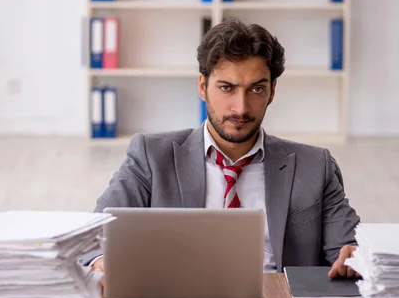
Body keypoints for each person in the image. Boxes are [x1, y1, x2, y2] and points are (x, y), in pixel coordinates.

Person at [87, 20, 359, 279]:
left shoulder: (315, 165)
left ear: (272, 92)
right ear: (203, 87)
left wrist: (356, 257)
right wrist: (102, 259)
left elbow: (349, 248)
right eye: (227, 88)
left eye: (256, 89)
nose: (240, 108)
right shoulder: (151, 157)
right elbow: (92, 238)